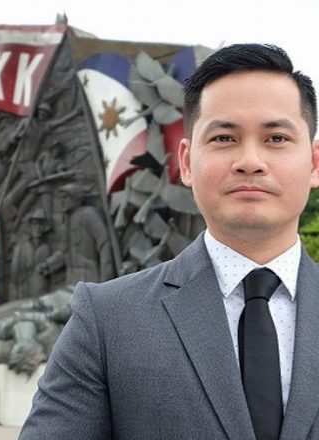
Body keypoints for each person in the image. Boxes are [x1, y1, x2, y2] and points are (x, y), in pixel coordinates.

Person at [18, 44, 319, 440]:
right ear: (187, 162)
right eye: (224, 138)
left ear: (314, 162)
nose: (250, 161)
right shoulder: (107, 320)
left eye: (276, 138)